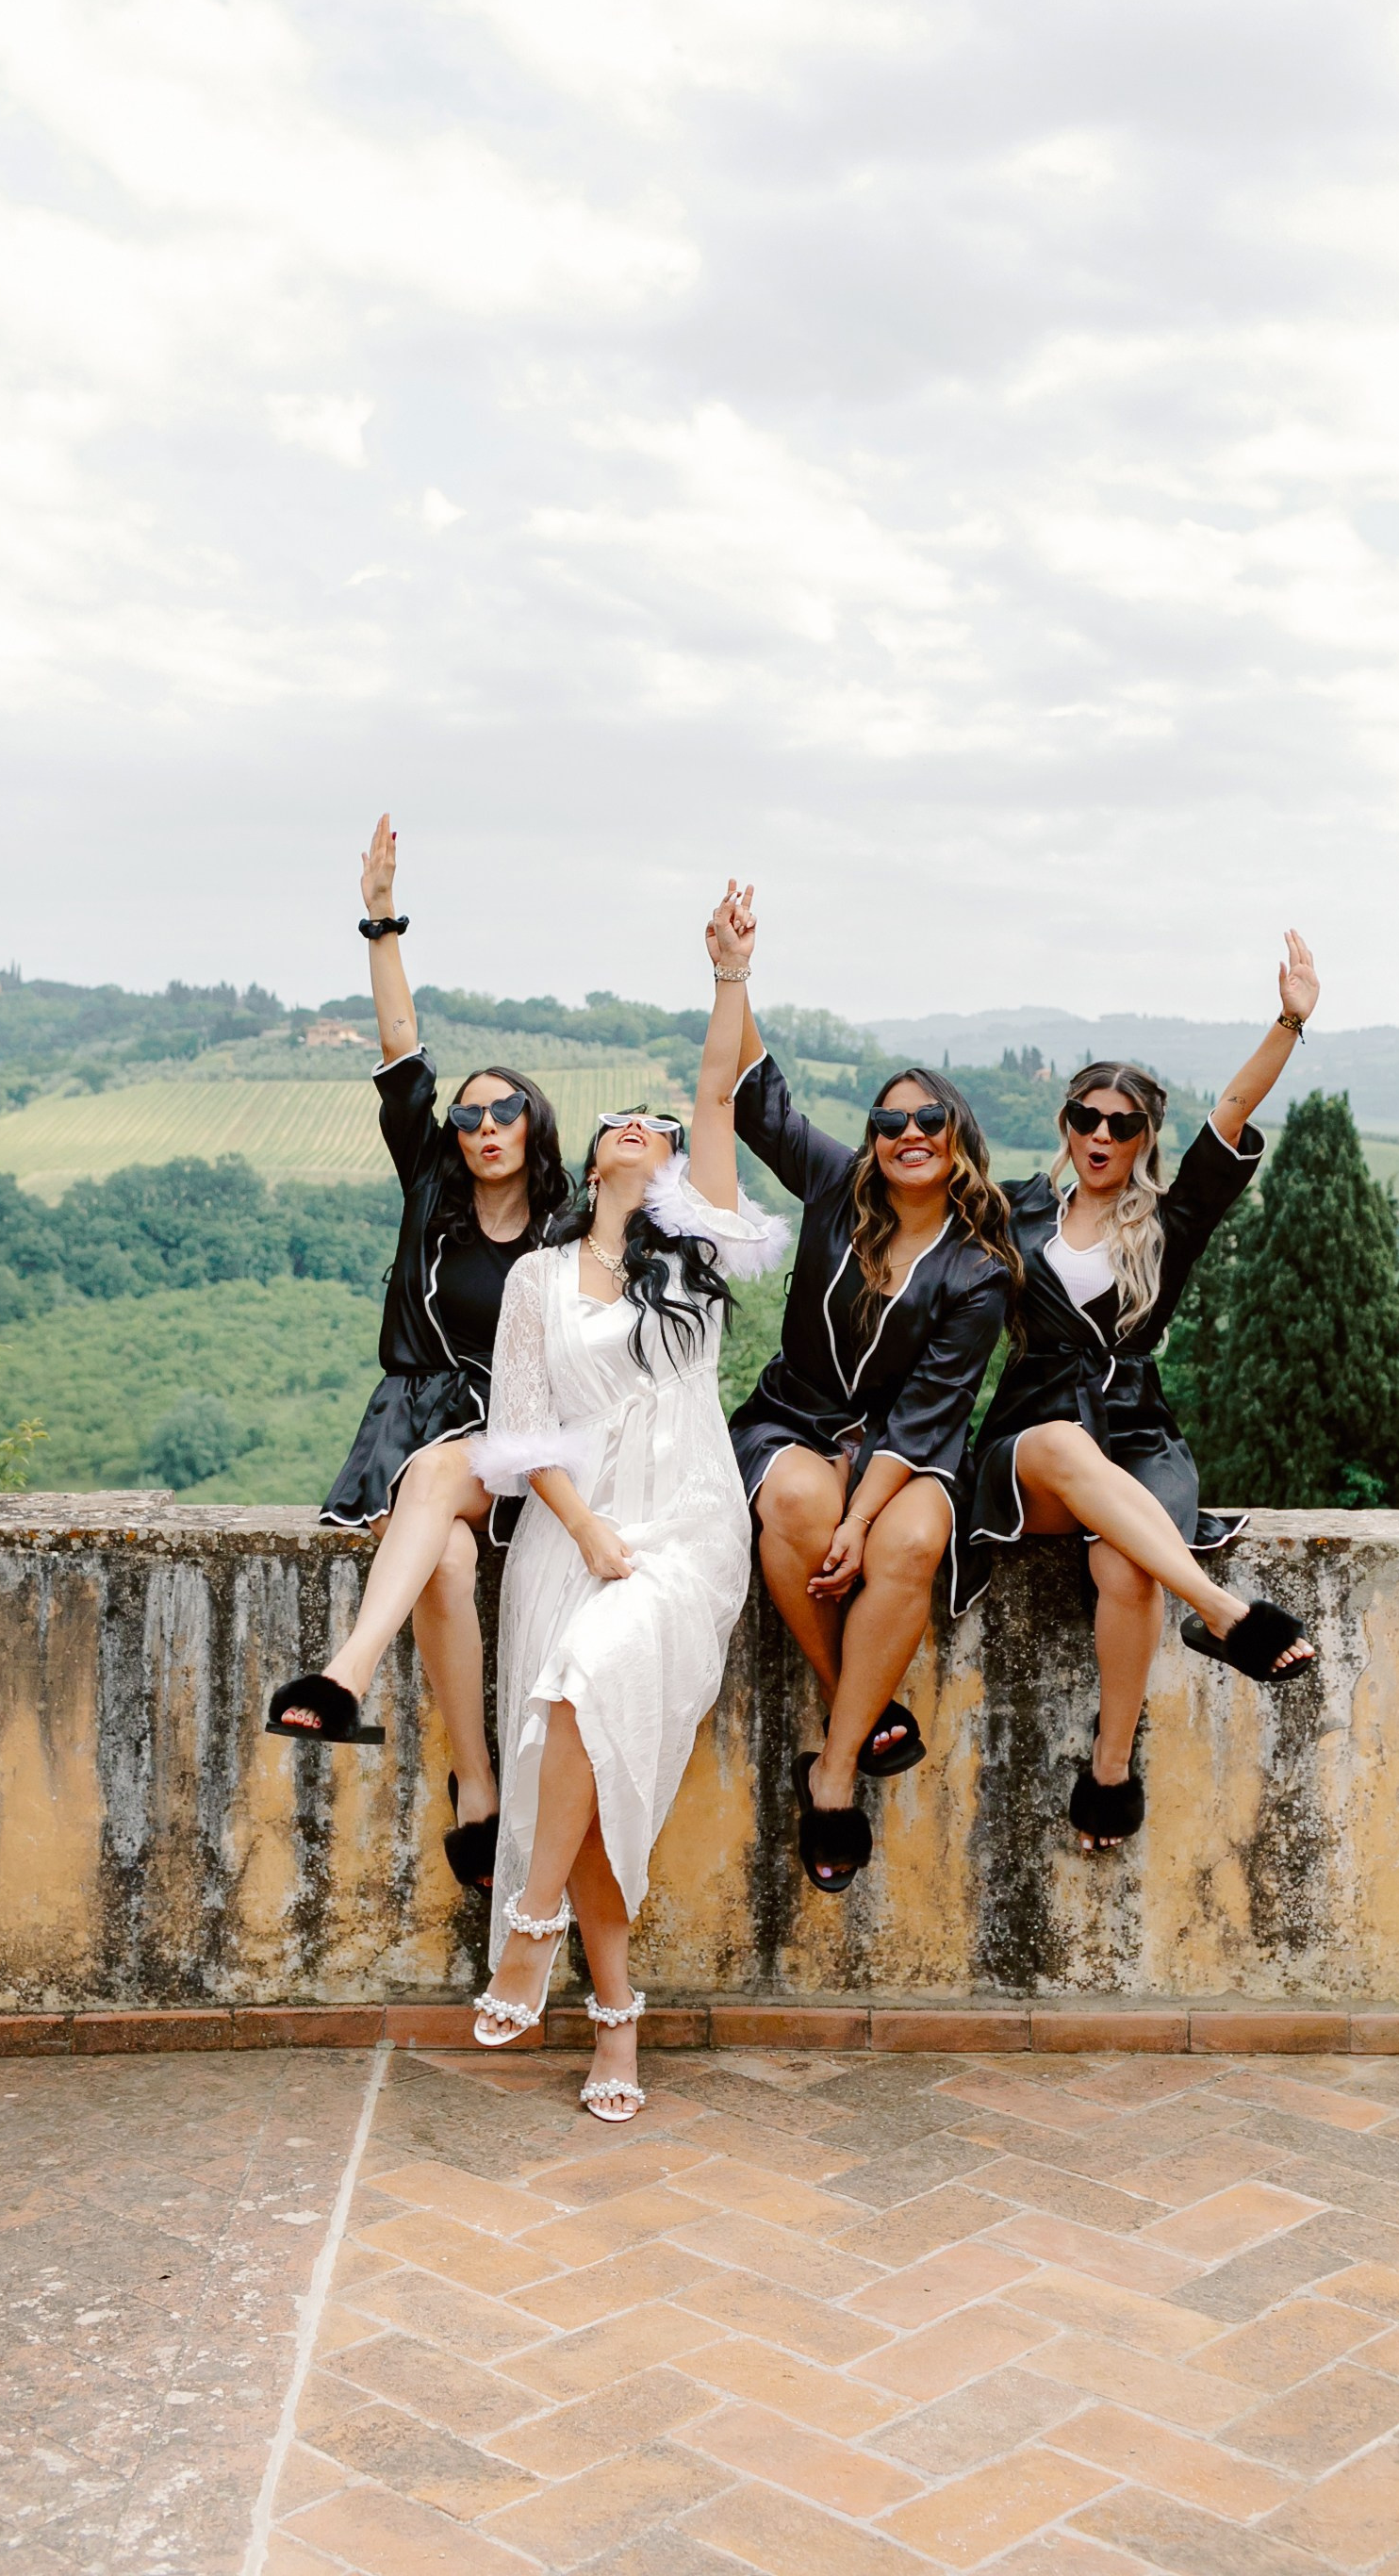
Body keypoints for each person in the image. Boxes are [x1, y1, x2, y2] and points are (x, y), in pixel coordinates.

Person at [466, 882, 785, 2122]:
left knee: (579, 1693)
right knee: (575, 1751)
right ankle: (615, 2028)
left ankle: (529, 1926)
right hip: (573, 1536)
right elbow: (521, 1437)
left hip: (687, 1533)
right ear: (594, 1157)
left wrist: (728, 979)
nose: (642, 1128)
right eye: (622, 1122)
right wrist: (587, 1530)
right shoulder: (539, 1280)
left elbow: (716, 1093)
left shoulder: (691, 1261)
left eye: (655, 1126)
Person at [264, 815, 569, 1896]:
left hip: (525, 1442)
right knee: (437, 1550)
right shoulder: (432, 1195)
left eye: (505, 1111)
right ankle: (475, 1786)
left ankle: (346, 1675)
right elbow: (402, 1059)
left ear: (534, 1129)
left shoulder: (567, 1235)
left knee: (440, 1493)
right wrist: (381, 922)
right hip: (422, 1415)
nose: (484, 1124)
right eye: (472, 1113)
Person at [967, 933, 1324, 1851]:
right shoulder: (1013, 1212)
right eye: (1085, 1118)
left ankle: (1111, 1768)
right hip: (1032, 1433)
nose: (1099, 1136)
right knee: (1053, 1445)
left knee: (1126, 1565)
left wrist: (1287, 1019)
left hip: (1136, 1431)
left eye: (1120, 1125)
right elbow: (902, 1201)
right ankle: (1221, 1611)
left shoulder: (1172, 1218)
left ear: (1142, 1137)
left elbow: (1234, 1109)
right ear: (1065, 1123)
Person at [724, 985, 1021, 1896]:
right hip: (796, 1417)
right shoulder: (833, 1184)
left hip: (908, 1442)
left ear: (957, 1133)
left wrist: (863, 1517)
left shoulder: (981, 1270)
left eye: (929, 1116)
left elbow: (934, 1408)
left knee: (913, 1539)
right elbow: (756, 1103)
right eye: (889, 1121)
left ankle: (833, 1768)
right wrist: (734, 974)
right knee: (795, 1502)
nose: (908, 1132)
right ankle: (861, 1711)